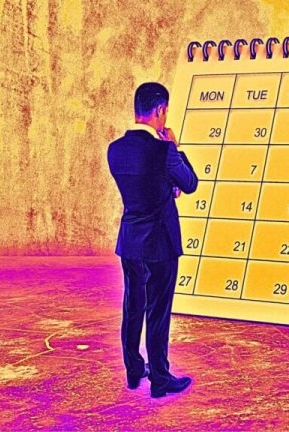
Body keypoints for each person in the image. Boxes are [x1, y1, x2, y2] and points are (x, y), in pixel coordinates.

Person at [107, 82, 198, 398]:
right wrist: (175, 146)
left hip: (130, 242)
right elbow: (190, 183)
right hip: (160, 243)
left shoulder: (115, 149)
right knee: (158, 311)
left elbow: (142, 185)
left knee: (133, 306)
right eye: (165, 111)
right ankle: (160, 378)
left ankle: (134, 370)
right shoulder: (163, 150)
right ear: (160, 110)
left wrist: (165, 186)